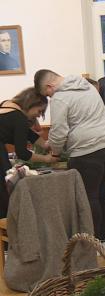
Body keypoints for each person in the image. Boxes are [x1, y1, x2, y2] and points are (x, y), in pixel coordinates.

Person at [34, 70, 105, 249]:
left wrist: (55, 153)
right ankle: (104, 239)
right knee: (103, 192)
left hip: (87, 150)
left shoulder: (60, 98)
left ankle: (93, 244)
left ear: (49, 86)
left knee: (90, 196)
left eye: (47, 94)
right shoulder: (86, 85)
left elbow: (59, 131)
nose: (49, 98)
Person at [0, 88, 57, 217]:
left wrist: (45, 145)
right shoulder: (19, 117)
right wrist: (47, 159)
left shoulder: (7, 105)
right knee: (4, 193)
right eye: (39, 111)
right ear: (31, 104)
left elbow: (27, 133)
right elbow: (22, 153)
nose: (38, 115)